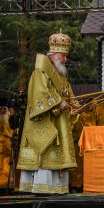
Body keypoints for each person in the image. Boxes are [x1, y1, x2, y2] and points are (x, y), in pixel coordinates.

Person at [17, 32, 77, 194]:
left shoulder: (61, 75)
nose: (65, 59)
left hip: (59, 121)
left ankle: (57, 188)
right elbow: (39, 97)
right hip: (45, 122)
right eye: (63, 55)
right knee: (45, 156)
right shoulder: (40, 72)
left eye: (66, 56)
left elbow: (68, 94)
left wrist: (75, 105)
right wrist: (58, 103)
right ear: (53, 55)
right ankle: (41, 187)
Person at [0, 98, 13, 193]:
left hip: (8, 146)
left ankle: (5, 187)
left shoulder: (10, 118)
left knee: (7, 167)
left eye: (4, 108)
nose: (2, 111)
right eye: (0, 109)